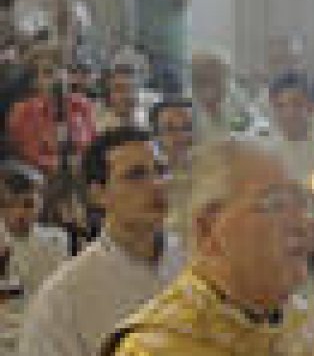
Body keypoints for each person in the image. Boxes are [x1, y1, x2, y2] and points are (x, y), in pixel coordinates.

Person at [102, 138, 314, 356]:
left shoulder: (295, 319)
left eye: (302, 203)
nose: (302, 224)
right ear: (208, 230)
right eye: (275, 204)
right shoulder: (154, 347)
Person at [19, 128, 185, 356]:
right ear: (98, 194)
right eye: (135, 175)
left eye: (161, 170)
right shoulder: (64, 298)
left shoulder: (197, 262)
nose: (157, 184)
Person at [5, 44, 97, 178]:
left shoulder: (83, 106)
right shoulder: (23, 111)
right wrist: (65, 167)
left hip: (82, 177)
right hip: (43, 179)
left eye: (62, 71)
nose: (57, 78)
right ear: (35, 82)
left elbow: (92, 146)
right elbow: (31, 155)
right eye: (48, 73)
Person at [0, 161, 70, 303]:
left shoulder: (57, 240)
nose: (18, 213)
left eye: (28, 205)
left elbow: (62, 292)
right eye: (9, 204)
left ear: (41, 204)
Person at [190, 49, 265, 142]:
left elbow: (244, 140)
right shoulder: (187, 109)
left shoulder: (238, 104)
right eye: (202, 80)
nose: (208, 88)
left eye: (215, 79)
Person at [148, 98, 194, 237]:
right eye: (170, 129)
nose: (182, 136)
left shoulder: (212, 172)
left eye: (188, 128)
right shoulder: (150, 181)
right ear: (156, 135)